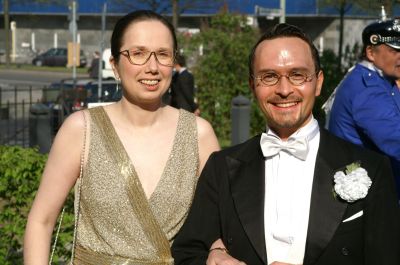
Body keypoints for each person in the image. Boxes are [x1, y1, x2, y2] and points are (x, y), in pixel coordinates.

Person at [172, 23, 400, 265]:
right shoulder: (222, 169)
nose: (284, 89)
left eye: (297, 75)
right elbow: (188, 254)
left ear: (318, 82)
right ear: (252, 86)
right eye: (269, 76)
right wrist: (211, 260)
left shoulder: (372, 169)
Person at [24, 10, 220, 264]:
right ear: (115, 65)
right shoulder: (82, 130)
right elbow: (42, 220)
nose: (152, 67)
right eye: (138, 53)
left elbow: (219, 227)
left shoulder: (199, 135)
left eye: (163, 54)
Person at [328, 18, 400, 201]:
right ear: (370, 52)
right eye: (394, 50)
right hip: (373, 198)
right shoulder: (367, 89)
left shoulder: (379, 81)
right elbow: (395, 139)